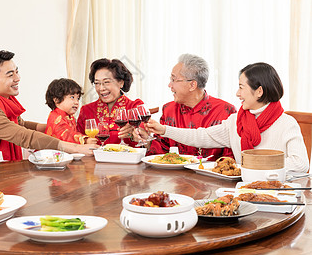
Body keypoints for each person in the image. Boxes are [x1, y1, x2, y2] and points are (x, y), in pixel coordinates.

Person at [141, 62, 309, 172]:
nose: (237, 93)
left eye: (242, 87)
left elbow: (301, 164)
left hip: (277, 193)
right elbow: (201, 136)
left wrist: (251, 165)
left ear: (259, 91)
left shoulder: (287, 124)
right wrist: (164, 130)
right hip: (243, 189)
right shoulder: (236, 121)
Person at [0, 50, 98, 161]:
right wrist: (75, 148)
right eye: (10, 74)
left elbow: (21, 124)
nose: (18, 78)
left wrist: (53, 125)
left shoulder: (3, 100)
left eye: (17, 72)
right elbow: (23, 136)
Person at [145, 54, 236, 160]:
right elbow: (160, 152)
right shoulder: (168, 109)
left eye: (174, 80)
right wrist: (145, 139)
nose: (170, 85)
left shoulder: (225, 111)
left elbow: (229, 161)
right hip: (175, 176)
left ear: (192, 85)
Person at [76, 58, 144, 145]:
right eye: (97, 83)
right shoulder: (86, 110)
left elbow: (144, 139)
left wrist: (134, 134)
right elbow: (77, 139)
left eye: (106, 82)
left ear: (121, 83)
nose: (101, 88)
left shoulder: (135, 107)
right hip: (94, 158)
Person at [44, 78, 96, 144]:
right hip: (53, 152)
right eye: (72, 97)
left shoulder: (69, 116)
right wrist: (84, 140)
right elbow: (66, 135)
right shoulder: (55, 117)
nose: (76, 102)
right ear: (56, 100)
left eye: (77, 98)